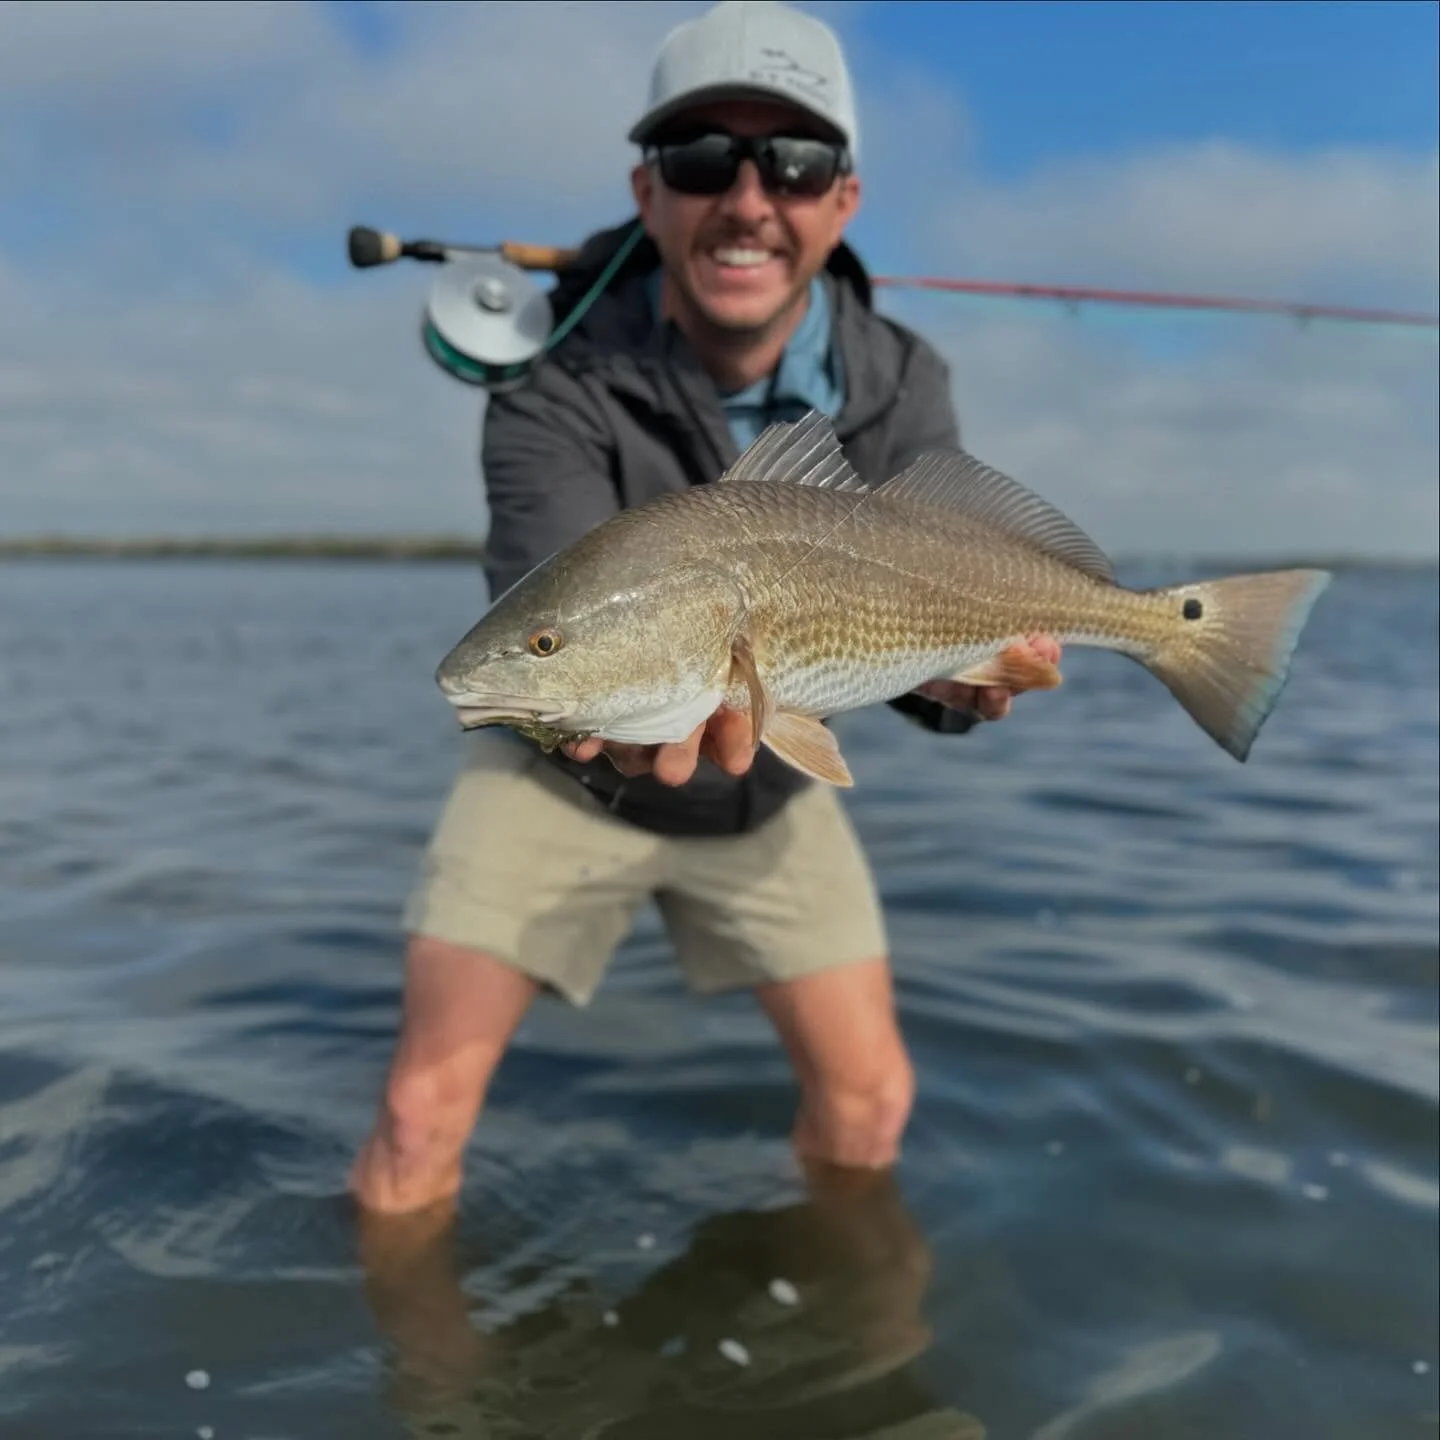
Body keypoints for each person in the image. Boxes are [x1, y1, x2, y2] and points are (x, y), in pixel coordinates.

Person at [351, 0, 1060, 1218]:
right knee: (417, 1117)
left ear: (842, 200)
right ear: (647, 190)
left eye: (793, 162)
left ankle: (835, 1374)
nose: (746, 200)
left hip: (774, 783)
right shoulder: (550, 376)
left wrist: (961, 681)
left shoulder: (903, 381)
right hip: (560, 777)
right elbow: (559, 593)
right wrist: (606, 699)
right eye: (700, 161)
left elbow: (932, 618)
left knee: (873, 1101)